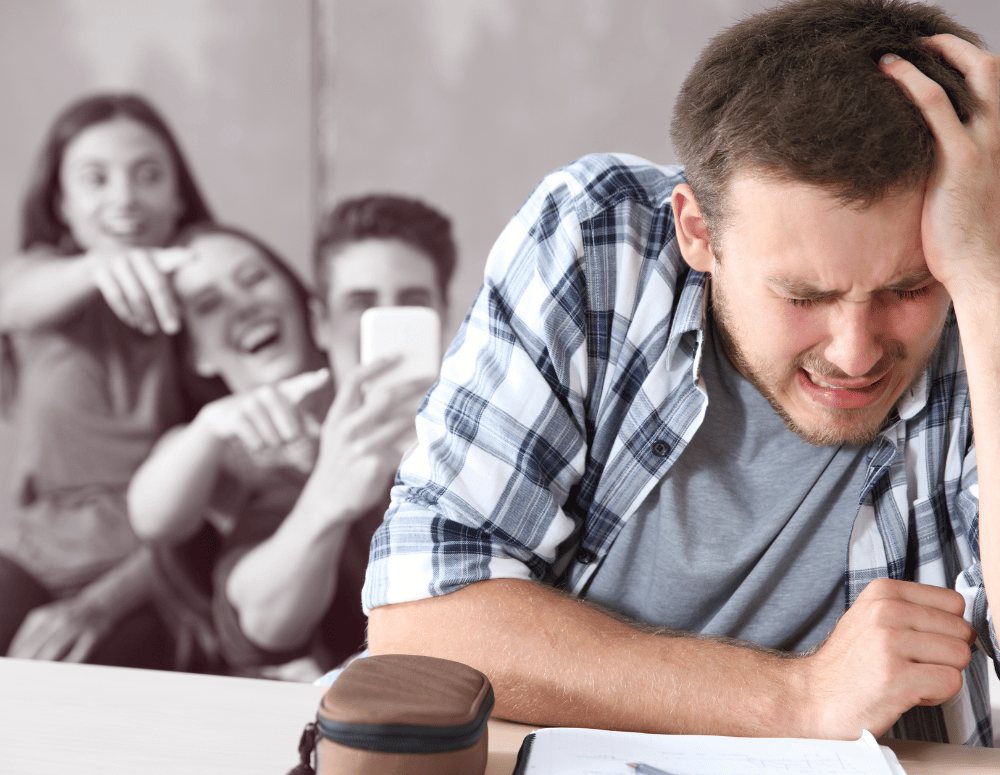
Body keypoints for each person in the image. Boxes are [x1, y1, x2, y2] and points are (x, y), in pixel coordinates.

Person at [364, 0, 1000, 746]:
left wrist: (985, 284)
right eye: (804, 296)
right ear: (697, 231)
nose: (855, 352)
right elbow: (423, 618)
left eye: (908, 288)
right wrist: (797, 698)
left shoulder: (980, 276)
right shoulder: (598, 241)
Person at [129, 195, 454, 673]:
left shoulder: (492, 432)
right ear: (320, 320)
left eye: (413, 303)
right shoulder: (273, 470)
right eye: (360, 304)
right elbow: (253, 620)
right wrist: (328, 495)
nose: (381, 325)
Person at [0, 93, 218, 668]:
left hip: (159, 571)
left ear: (177, 200)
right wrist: (103, 266)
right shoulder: (35, 288)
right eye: (95, 179)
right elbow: (11, 301)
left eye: (148, 176)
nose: (124, 197)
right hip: (33, 557)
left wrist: (98, 605)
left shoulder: (213, 301)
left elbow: (222, 512)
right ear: (61, 204)